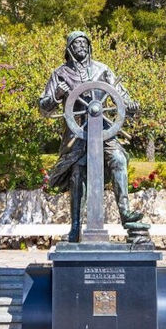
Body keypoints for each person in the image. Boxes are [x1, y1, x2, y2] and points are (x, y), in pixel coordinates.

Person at [38, 31, 147, 243]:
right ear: (69, 48)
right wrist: (56, 95)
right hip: (76, 132)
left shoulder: (102, 69)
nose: (81, 46)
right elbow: (44, 108)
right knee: (77, 174)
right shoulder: (60, 73)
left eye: (84, 42)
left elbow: (121, 96)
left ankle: (126, 214)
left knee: (118, 158)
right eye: (76, 43)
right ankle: (75, 226)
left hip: (103, 129)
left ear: (89, 46)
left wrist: (131, 106)